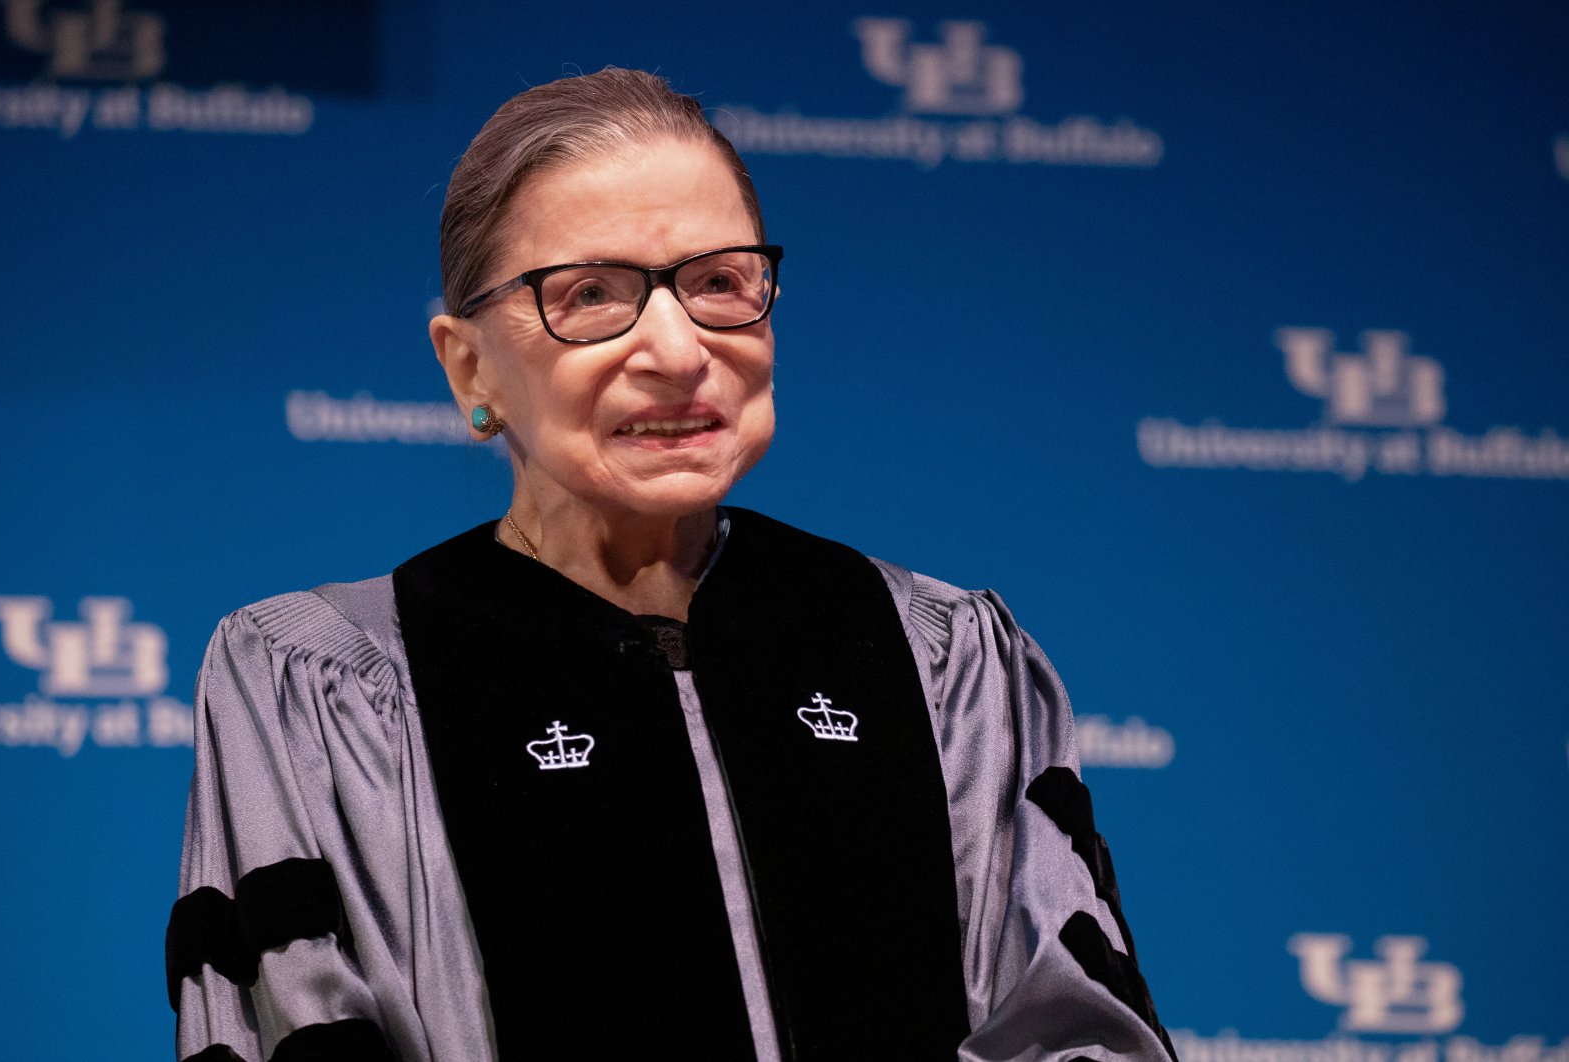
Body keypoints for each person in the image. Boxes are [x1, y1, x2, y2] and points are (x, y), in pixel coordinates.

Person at [165, 67, 1177, 1062]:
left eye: (719, 284)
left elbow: (1073, 1036)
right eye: (592, 294)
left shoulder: (942, 659)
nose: (678, 348)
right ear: (468, 367)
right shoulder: (325, 685)